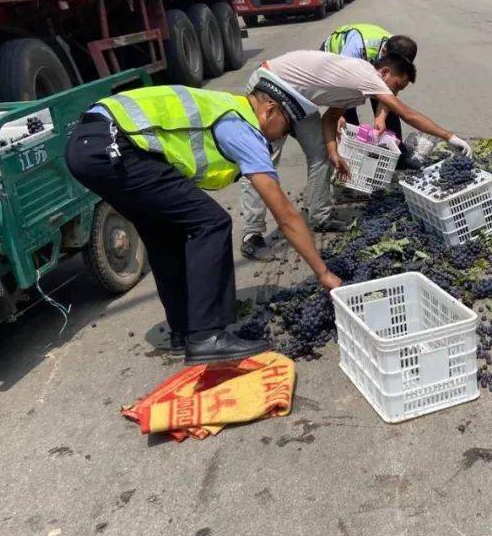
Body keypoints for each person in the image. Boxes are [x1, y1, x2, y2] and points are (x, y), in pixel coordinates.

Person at [65, 75, 342, 365]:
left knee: (164, 230)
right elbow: (284, 214)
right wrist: (322, 272)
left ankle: (183, 332)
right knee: (212, 222)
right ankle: (207, 336)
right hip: (112, 145)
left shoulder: (225, 109)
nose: (280, 137)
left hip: (88, 147)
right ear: (269, 110)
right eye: (285, 128)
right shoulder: (241, 127)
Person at [239, 50, 471, 261]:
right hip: (270, 87)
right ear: (385, 72)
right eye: (396, 85)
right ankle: (252, 235)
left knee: (320, 154)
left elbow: (330, 118)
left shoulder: (357, 90)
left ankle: (319, 217)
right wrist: (448, 136)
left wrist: (333, 151)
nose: (394, 92)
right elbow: (407, 114)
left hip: (299, 102)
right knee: (260, 163)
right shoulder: (366, 74)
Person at [320, 23, 417, 140]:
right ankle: (351, 149)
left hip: (369, 63)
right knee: (348, 109)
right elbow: (339, 84)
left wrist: (380, 117)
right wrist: (336, 114)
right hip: (336, 65)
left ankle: (397, 152)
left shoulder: (400, 50)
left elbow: (389, 93)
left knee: (390, 109)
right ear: (385, 52)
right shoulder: (356, 49)